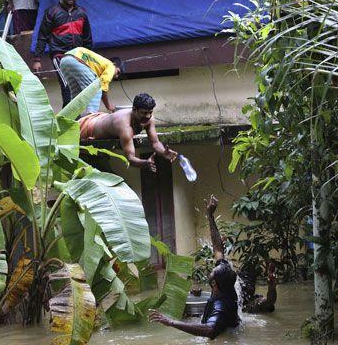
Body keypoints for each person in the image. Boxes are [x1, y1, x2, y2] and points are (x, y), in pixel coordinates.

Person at [148, 196, 240, 338]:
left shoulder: (220, 306)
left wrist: (171, 322)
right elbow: (218, 248)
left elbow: (209, 330)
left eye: (212, 272)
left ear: (214, 284)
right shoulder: (225, 278)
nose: (211, 270)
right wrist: (210, 215)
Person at [78, 93, 177, 172]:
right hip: (86, 127)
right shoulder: (125, 126)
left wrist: (163, 152)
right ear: (134, 110)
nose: (147, 116)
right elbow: (130, 158)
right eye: (144, 113)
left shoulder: (149, 119)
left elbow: (155, 143)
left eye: (150, 112)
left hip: (102, 118)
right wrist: (144, 163)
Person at [32, 0, 93, 107]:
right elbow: (43, 36)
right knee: (67, 86)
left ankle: (78, 120)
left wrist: (90, 59)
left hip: (78, 55)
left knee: (80, 87)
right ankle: (69, 121)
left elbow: (87, 38)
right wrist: (37, 58)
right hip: (59, 55)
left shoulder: (82, 13)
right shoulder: (52, 12)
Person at [59, 47, 121, 115]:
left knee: (77, 95)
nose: (116, 76)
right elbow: (102, 87)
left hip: (64, 61)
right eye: (118, 72)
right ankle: (91, 116)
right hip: (76, 59)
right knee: (96, 89)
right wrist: (108, 106)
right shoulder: (111, 66)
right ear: (114, 64)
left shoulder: (101, 64)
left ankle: (69, 118)